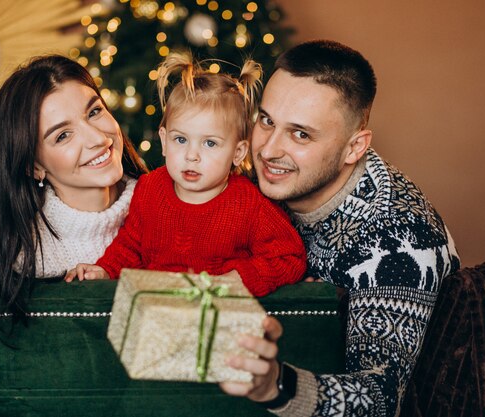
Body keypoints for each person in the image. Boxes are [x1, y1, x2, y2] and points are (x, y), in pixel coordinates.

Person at [220, 40, 461, 416]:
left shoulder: (397, 242)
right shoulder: (265, 184)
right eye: (267, 121)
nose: (267, 150)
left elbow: (380, 397)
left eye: (301, 134)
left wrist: (276, 386)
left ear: (354, 147)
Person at [0, 55, 147, 329]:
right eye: (63, 135)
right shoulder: (10, 266)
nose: (98, 138)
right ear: (33, 166)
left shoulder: (177, 208)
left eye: (94, 111)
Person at [65, 52, 306, 297]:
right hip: (156, 312)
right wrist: (105, 270)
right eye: (180, 139)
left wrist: (239, 278)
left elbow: (290, 257)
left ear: (238, 152)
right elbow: (130, 247)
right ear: (164, 141)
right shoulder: (150, 188)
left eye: (210, 144)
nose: (192, 155)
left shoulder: (249, 204)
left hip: (216, 318)